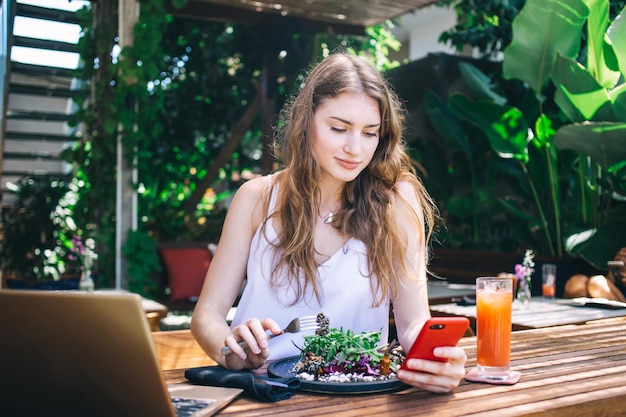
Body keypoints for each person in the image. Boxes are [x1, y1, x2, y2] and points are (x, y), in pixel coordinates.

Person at [190, 52, 467, 393]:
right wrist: (230, 347)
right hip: (264, 395)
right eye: (339, 128)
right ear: (307, 121)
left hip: (358, 398)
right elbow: (207, 315)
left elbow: (412, 323)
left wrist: (437, 358)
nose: (355, 148)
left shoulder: (395, 200)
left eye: (370, 133)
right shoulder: (256, 198)